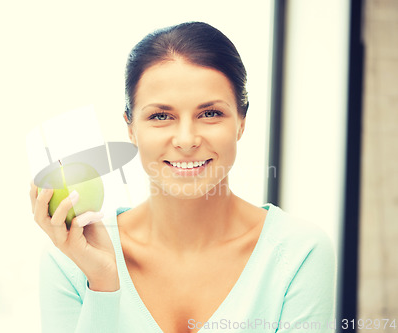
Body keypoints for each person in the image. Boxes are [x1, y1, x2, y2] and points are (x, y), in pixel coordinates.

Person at [29, 21, 336, 333]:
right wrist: (104, 284)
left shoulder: (299, 254)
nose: (186, 139)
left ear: (241, 122)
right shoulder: (72, 258)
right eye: (161, 116)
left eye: (210, 113)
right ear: (131, 128)